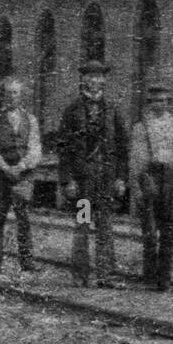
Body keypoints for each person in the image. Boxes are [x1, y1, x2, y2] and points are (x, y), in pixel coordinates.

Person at [56, 60, 129, 288]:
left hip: (105, 180)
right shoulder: (72, 111)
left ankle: (106, 274)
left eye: (98, 76)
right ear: (83, 80)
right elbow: (63, 148)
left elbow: (123, 147)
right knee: (83, 226)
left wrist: (120, 178)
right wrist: (67, 180)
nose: (94, 80)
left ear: (104, 80)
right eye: (89, 76)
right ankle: (80, 274)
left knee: (105, 227)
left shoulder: (113, 110)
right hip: (83, 180)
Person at [129, 84, 173, 291]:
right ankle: (149, 276)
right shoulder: (142, 127)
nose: (161, 104)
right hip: (150, 176)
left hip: (172, 178)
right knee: (149, 229)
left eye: (164, 100)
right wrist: (137, 186)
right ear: (150, 103)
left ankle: (164, 277)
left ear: (169, 103)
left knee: (169, 229)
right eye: (156, 100)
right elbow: (136, 159)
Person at [0, 77, 43, 273]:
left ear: (21, 95)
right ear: (3, 96)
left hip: (24, 174)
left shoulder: (31, 120)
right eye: (8, 93)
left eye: (15, 92)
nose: (12, 96)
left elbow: (35, 148)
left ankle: (27, 261)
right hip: (1, 174)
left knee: (23, 217)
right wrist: (4, 167)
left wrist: (22, 165)